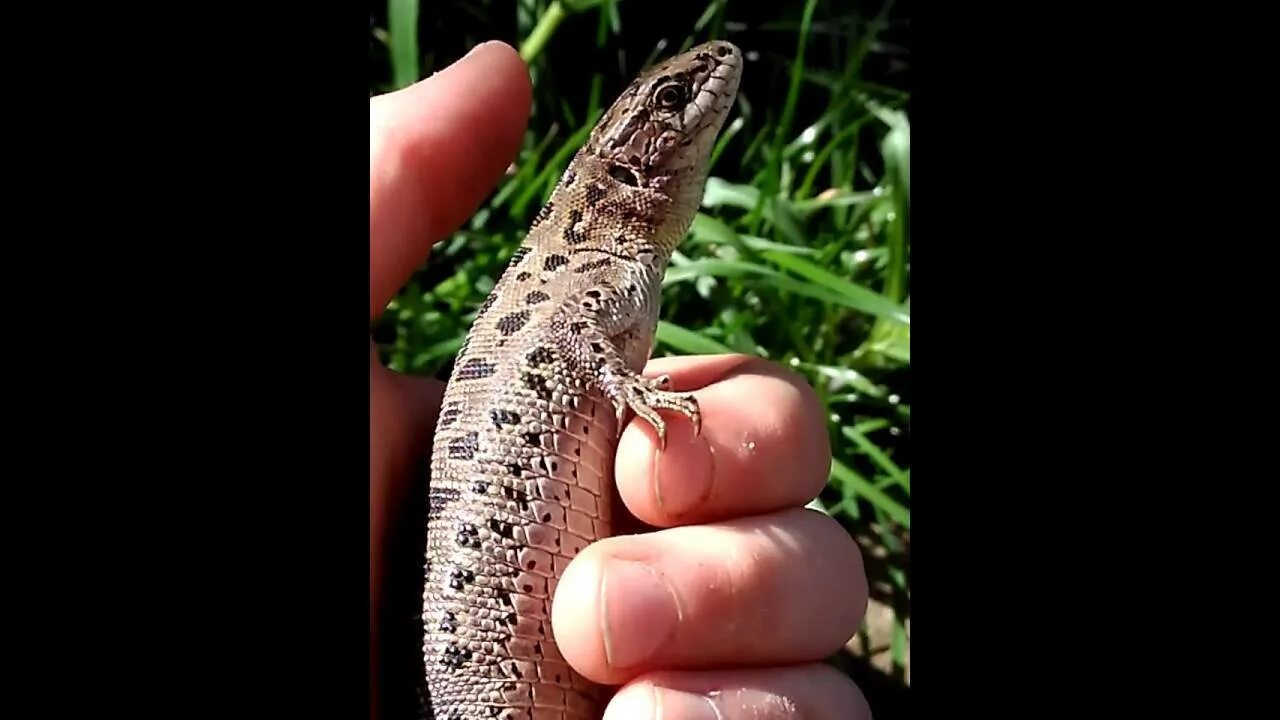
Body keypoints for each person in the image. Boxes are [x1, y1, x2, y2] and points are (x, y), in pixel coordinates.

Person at [370, 40, 872, 719]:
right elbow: (575, 334)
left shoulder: (600, 260)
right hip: (478, 652)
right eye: (670, 102)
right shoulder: (594, 264)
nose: (712, 74)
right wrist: (627, 386)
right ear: (629, 168)